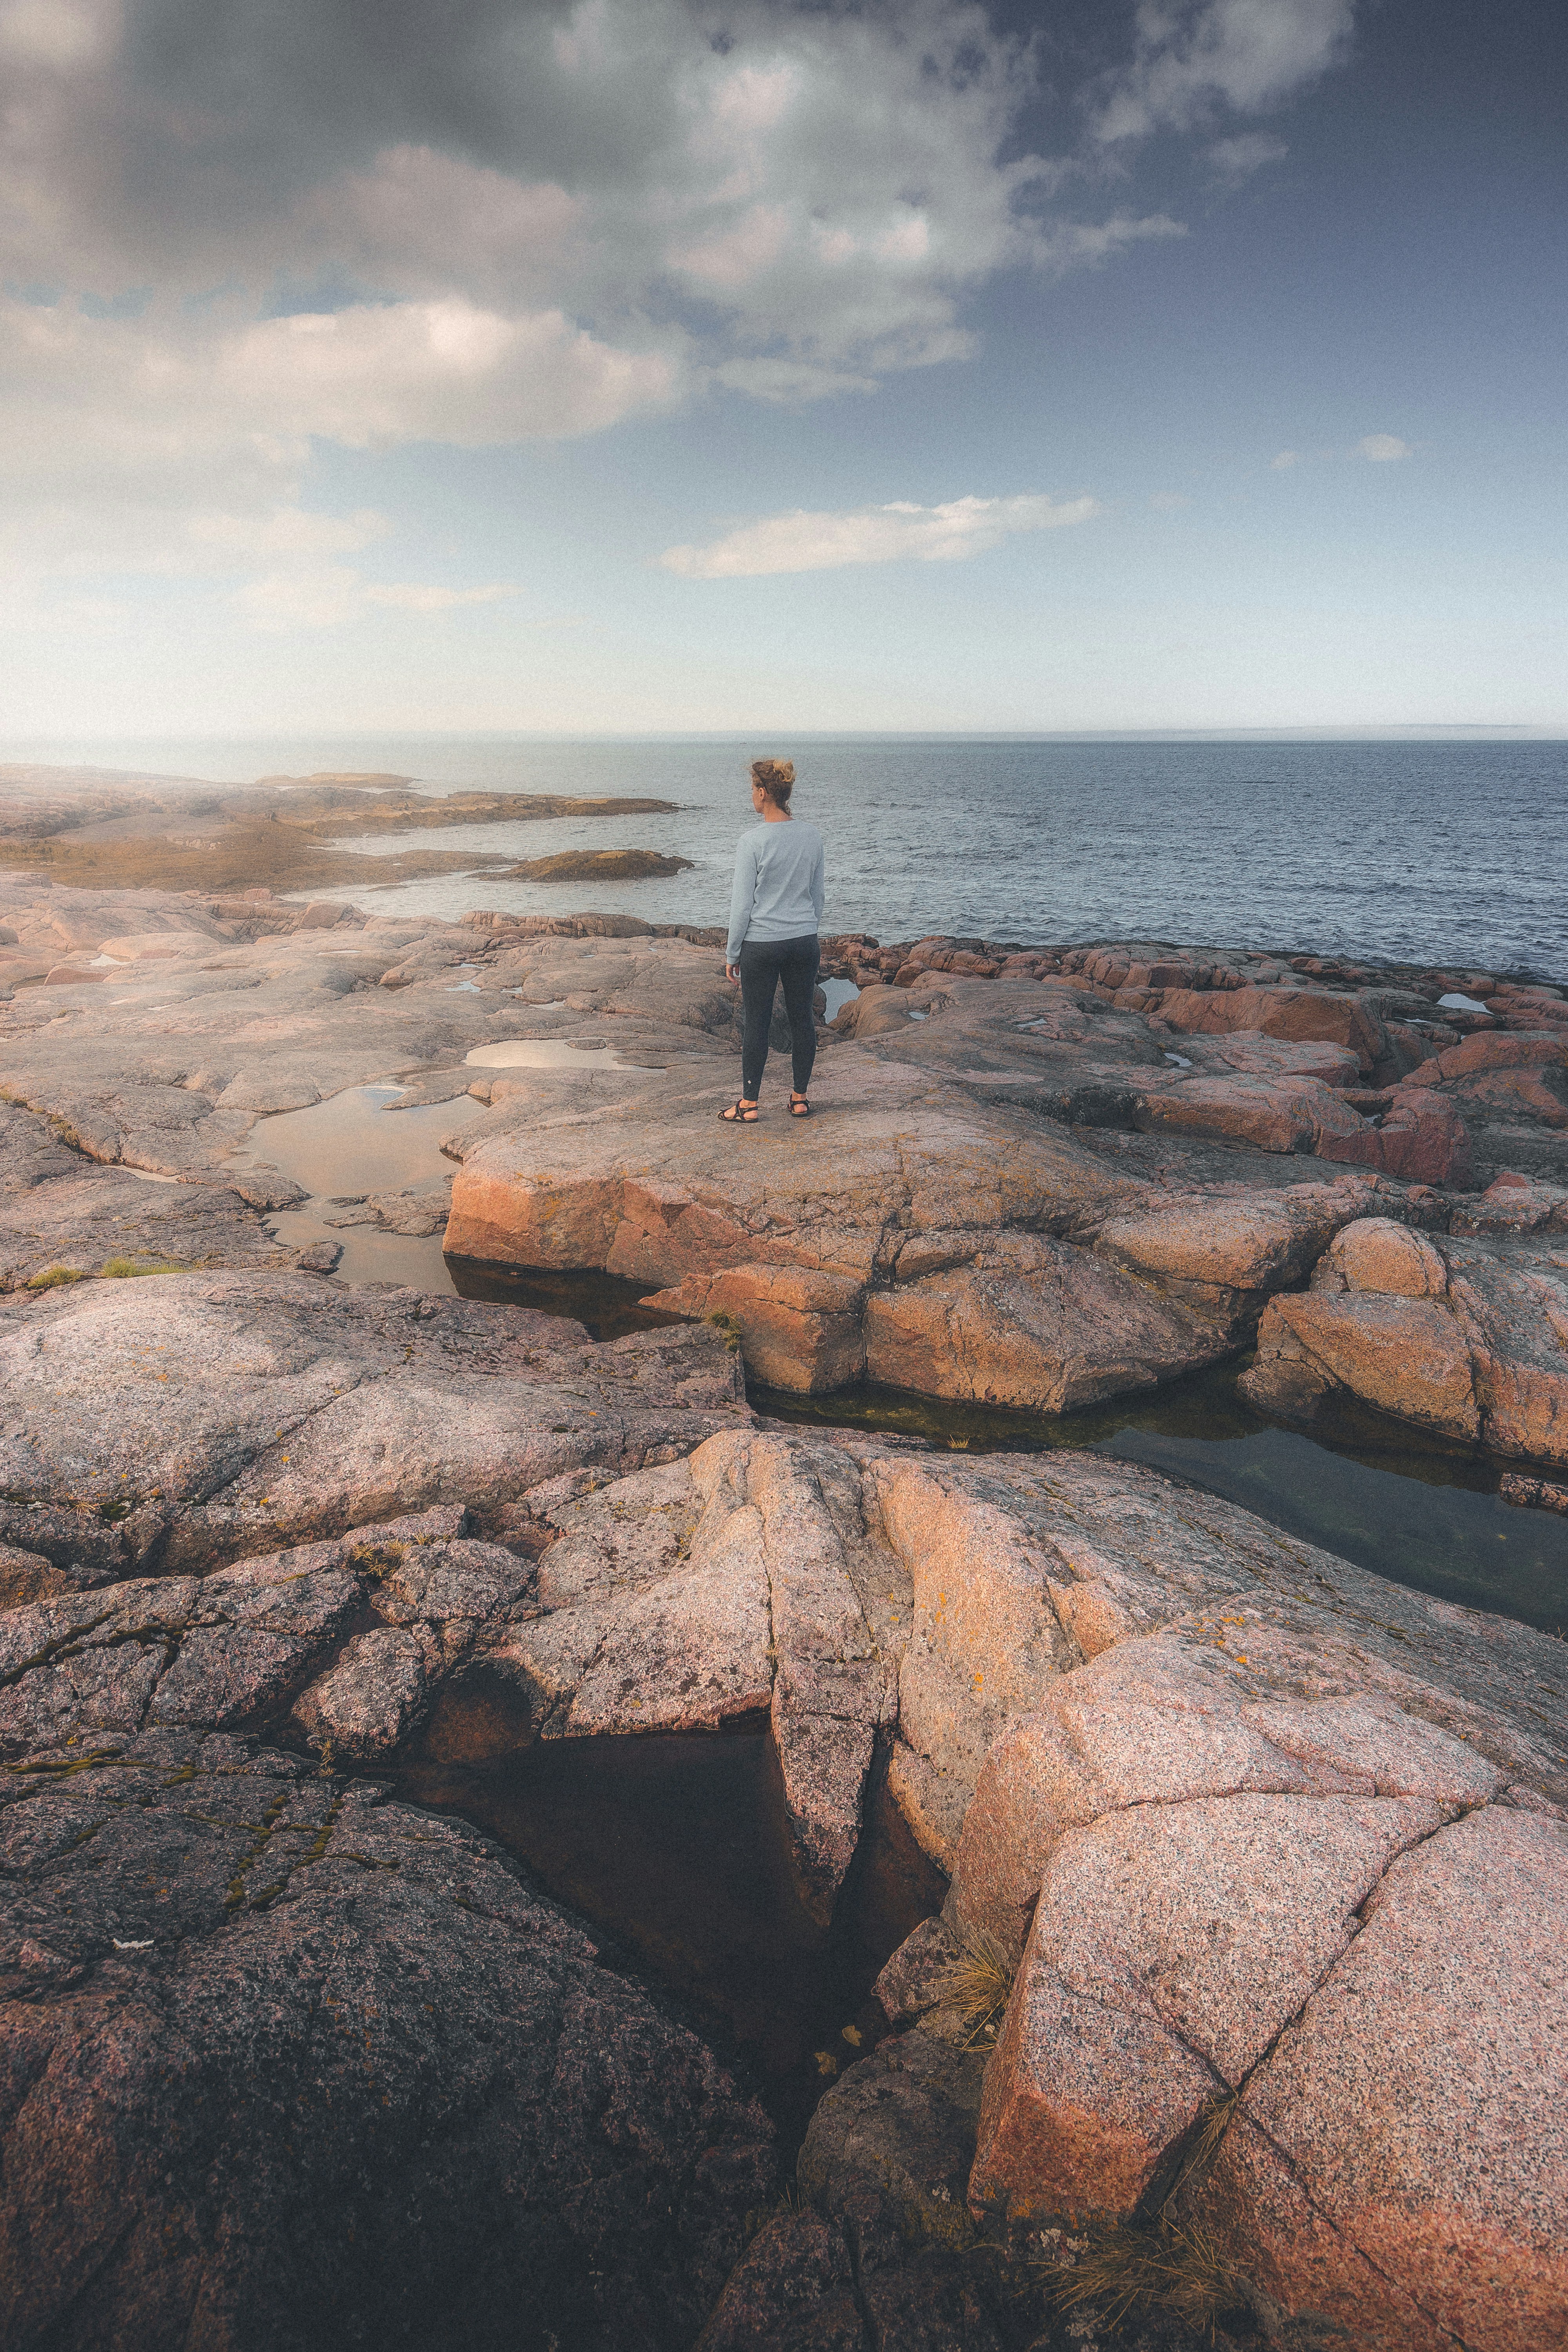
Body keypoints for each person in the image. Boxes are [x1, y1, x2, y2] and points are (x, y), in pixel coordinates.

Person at [720, 757, 824, 1123]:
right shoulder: (812, 836)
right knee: (802, 1021)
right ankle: (799, 1099)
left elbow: (741, 907)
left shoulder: (752, 841)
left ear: (763, 793)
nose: (752, 795)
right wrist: (806, 930)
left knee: (758, 1024)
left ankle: (749, 1105)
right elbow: (817, 896)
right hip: (803, 941)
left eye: (753, 789)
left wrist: (733, 953)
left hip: (761, 946)